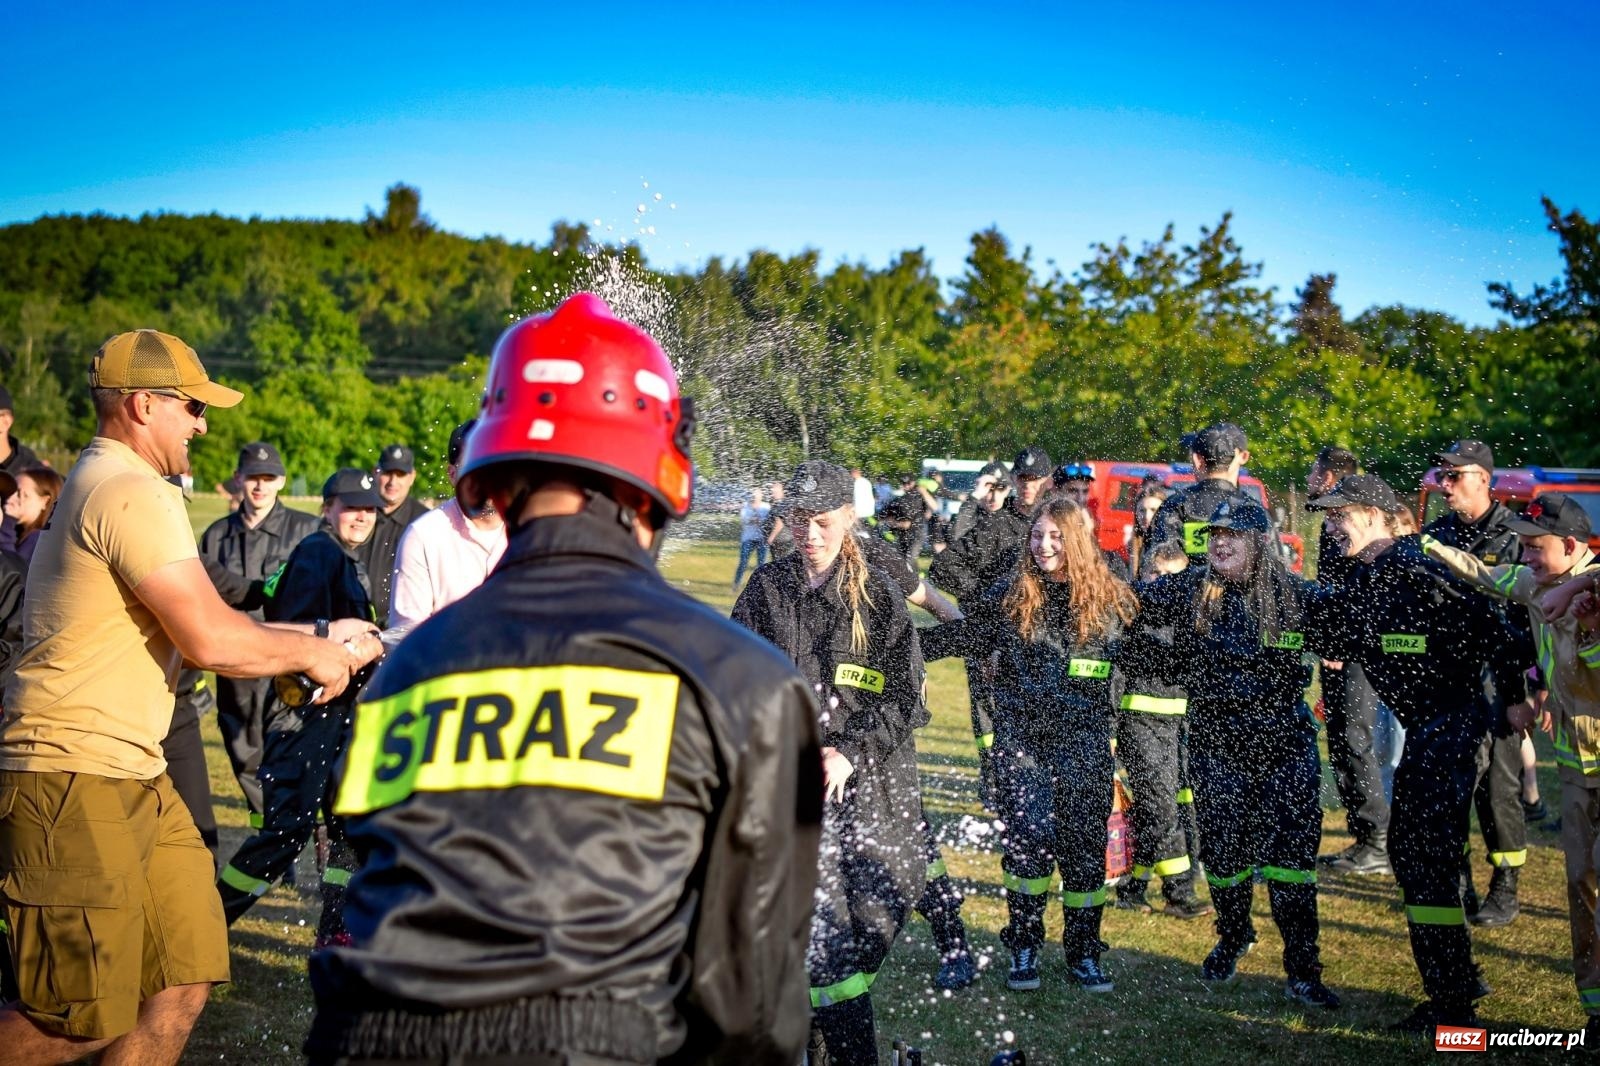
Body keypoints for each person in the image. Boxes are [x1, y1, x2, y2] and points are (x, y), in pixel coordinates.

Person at [307, 293, 822, 1066]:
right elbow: (749, 1009)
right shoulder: (742, 682)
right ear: (659, 479)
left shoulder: (407, 668)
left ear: (493, 479)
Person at [0, 328, 376, 1066]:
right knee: (82, 1018)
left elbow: (205, 617)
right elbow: (210, 642)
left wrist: (321, 632)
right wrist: (315, 651)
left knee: (180, 981)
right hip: (71, 774)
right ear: (144, 404)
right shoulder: (131, 490)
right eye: (193, 407)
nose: (203, 425)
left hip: (134, 771)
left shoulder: (115, 482)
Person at [734, 460, 926, 1066]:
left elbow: (908, 698)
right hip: (796, 786)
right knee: (824, 933)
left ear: (848, 517)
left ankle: (820, 1034)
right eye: (798, 520)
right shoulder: (767, 589)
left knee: (880, 910)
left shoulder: (879, 595)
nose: (809, 534)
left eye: (821, 521)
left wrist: (850, 751)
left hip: (873, 781)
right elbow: (736, 680)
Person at [1307, 474, 1511, 1030]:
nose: (1331, 527)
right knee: (1419, 855)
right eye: (1328, 518)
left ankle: (1454, 1009)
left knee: (1423, 857)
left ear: (1375, 515)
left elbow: (1496, 628)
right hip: (1427, 728)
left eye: (1340, 516)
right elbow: (1333, 630)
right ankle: (1456, 984)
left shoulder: (1418, 567)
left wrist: (1517, 696)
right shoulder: (1364, 576)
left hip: (1454, 724)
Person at [923, 495, 1135, 993]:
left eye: (1056, 536)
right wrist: (895, 650)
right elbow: (959, 637)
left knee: (1084, 849)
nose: (1044, 545)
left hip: (1085, 741)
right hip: (1022, 742)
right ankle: (1023, 946)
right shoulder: (1010, 595)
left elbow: (1150, 658)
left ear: (1077, 541)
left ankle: (1084, 952)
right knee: (1028, 844)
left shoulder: (1111, 600)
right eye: (1037, 535)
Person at [1138, 499, 1338, 1008]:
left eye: (1232, 535)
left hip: (1284, 745)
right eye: (1214, 535)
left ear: (1259, 541)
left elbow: (1356, 628)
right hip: (1217, 744)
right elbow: (1127, 603)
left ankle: (1303, 968)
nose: (1220, 543)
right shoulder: (1190, 589)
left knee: (1291, 862)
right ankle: (1233, 935)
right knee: (1224, 855)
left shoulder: (1298, 595)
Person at [1421, 493, 1600, 1041]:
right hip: (1576, 773)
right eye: (1523, 546)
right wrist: (1421, 544)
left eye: (1536, 547)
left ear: (1570, 545)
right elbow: (1483, 573)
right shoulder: (1532, 584)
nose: (1526, 557)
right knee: (1581, 886)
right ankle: (1595, 1007)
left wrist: (1585, 611)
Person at [216, 468, 384, 946]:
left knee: (346, 826)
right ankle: (203, 929)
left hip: (338, 717)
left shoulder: (341, 556)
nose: (361, 516)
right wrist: (352, 640)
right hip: (304, 717)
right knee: (285, 834)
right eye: (351, 507)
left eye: (369, 509)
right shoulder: (318, 552)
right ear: (327, 508)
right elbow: (296, 632)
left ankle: (336, 933)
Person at [1422, 439, 1533, 926]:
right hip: (1447, 683)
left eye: (1455, 476)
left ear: (1483, 479)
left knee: (1498, 790)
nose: (1444, 486)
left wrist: (1523, 694)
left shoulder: (1513, 536)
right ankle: (1459, 879)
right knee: (1449, 788)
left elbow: (1527, 624)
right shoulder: (1435, 534)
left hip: (1498, 682)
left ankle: (1505, 885)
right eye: (1441, 477)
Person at [198, 441, 320, 820]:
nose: (260, 486)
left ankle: (301, 828)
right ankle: (265, 827)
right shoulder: (215, 536)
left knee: (294, 749)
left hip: (289, 661)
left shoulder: (307, 530)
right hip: (234, 662)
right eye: (253, 477)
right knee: (243, 750)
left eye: (269, 478)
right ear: (238, 479)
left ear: (281, 481)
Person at [930, 446, 1052, 793]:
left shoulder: (1055, 523)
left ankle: (1036, 785)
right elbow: (943, 568)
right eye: (1022, 479)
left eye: (1035, 480)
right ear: (1013, 480)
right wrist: (986, 602)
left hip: (1043, 640)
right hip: (994, 638)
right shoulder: (996, 526)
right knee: (990, 714)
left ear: (1047, 481)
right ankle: (994, 784)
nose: (1027, 486)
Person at [1114, 538, 1212, 920]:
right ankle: (1174, 892)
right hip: (1139, 723)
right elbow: (1113, 674)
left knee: (1166, 810)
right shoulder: (1130, 616)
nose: (1162, 585)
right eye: (1155, 575)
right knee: (1161, 808)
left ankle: (1139, 887)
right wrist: (1111, 731)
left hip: (1178, 728)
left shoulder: (1192, 619)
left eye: (1172, 578)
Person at [1307, 446, 1392, 876]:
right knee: (1341, 739)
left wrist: (1343, 644)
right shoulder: (1343, 535)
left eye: (1338, 516)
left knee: (1355, 739)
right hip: (1340, 650)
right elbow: (1331, 593)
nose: (1331, 526)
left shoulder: (1388, 556)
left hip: (1357, 657)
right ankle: (1364, 838)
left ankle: (1378, 840)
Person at [386, 419, 507, 636]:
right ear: (452, 475)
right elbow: (406, 633)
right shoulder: (424, 537)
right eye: (473, 465)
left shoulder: (535, 530)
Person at [1150, 423, 1265, 560]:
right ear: (1244, 456)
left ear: (1197, 460)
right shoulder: (1253, 510)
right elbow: (1272, 566)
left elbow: (1159, 562)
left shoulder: (1175, 505)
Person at [358, 443, 431, 627]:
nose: (393, 482)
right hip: (351, 626)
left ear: (412, 477)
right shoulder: (357, 516)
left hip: (402, 631)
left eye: (400, 475)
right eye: (387, 473)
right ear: (375, 472)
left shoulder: (425, 523)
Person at [3, 466, 59, 568]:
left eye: (21, 495)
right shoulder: (18, 532)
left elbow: (12, 570)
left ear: (45, 502)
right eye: (11, 492)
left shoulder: (38, 541)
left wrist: (7, 521)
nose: (9, 499)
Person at [733, 485, 770, 588]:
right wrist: (755, 520)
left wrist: (758, 520)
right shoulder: (746, 507)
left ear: (761, 495)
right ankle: (736, 583)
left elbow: (769, 521)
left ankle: (761, 585)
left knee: (762, 564)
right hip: (748, 539)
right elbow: (744, 520)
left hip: (762, 539)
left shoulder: (766, 507)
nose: (755, 497)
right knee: (743, 562)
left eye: (757, 495)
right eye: (753, 495)